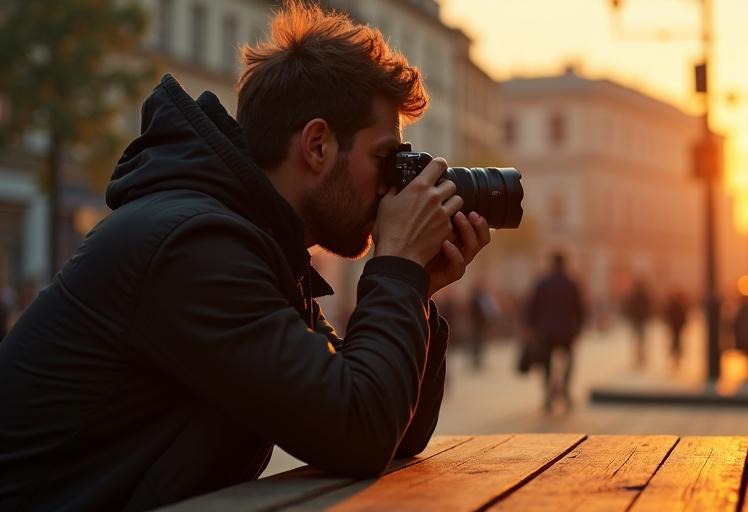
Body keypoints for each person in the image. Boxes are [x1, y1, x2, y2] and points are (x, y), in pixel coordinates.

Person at [0, 3, 492, 510]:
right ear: (318, 145)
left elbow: (391, 429)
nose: (396, 182)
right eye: (385, 158)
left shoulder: (253, 246)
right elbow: (360, 428)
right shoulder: (192, 247)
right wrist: (398, 271)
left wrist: (417, 290)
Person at [524, 252, 585, 413]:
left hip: (546, 330)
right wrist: (579, 327)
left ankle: (548, 395)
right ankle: (564, 389)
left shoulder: (543, 283)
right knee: (568, 361)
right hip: (566, 330)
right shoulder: (571, 283)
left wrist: (530, 326)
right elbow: (579, 308)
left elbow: (533, 306)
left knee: (547, 363)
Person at [623, 278, 653, 368]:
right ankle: (641, 357)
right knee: (641, 340)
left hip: (637, 321)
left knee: (638, 340)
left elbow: (629, 308)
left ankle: (639, 357)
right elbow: (648, 308)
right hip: (640, 321)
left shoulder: (635, 296)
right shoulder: (643, 296)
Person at [663, 289, 688, 372]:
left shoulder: (676, 305)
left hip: (676, 326)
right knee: (676, 341)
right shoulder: (679, 305)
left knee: (675, 341)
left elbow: (669, 315)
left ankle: (676, 357)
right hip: (676, 327)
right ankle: (676, 358)